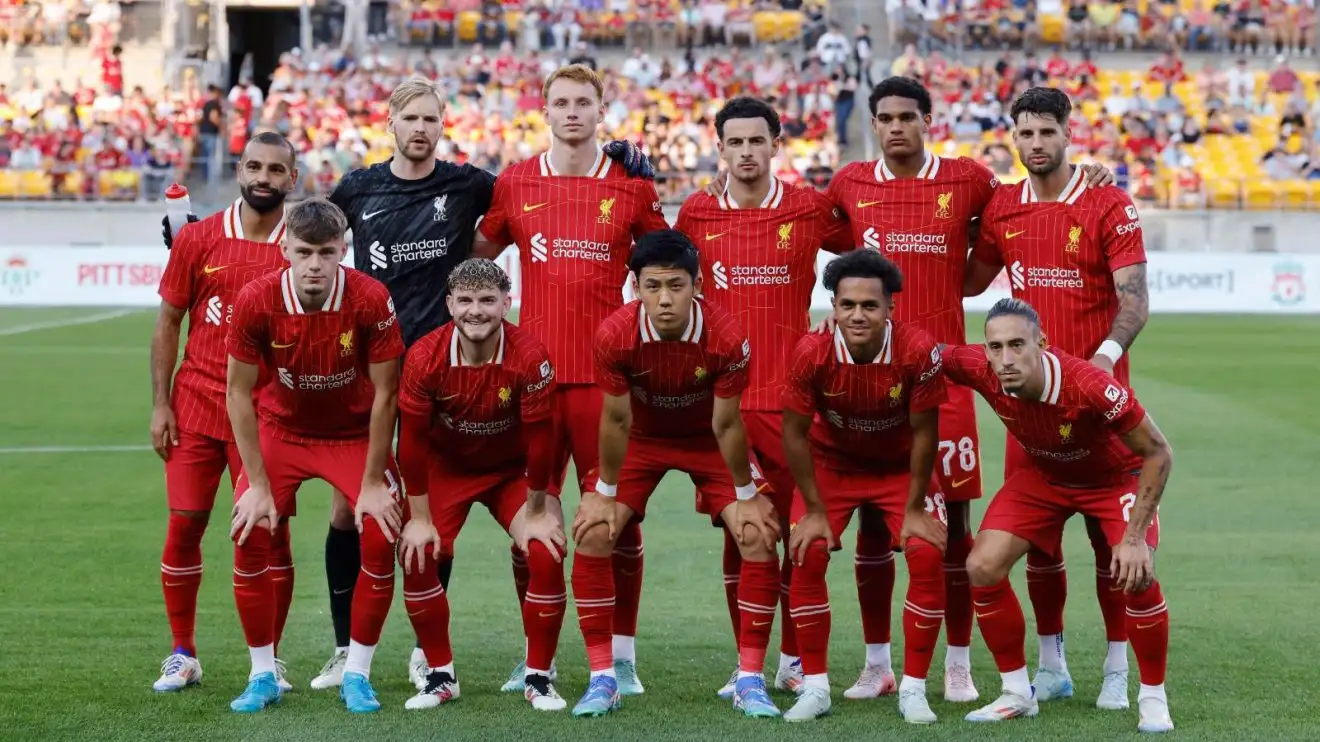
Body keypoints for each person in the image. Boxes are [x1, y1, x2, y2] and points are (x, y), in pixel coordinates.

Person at [319, 75, 655, 691]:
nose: (419, 128)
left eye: (429, 118)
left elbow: (663, 258)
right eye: (409, 118)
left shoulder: (501, 183)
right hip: (428, 372)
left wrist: (635, 165)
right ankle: (361, 650)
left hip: (570, 381)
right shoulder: (381, 186)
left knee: (604, 520)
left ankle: (607, 658)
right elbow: (307, 237)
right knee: (364, 509)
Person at [822, 75, 1114, 703]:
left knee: (953, 526)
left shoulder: (971, 180)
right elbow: (817, 238)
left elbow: (1020, 204)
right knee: (877, 527)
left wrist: (1093, 173)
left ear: (928, 119)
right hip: (871, 382)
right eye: (885, 118)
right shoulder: (848, 184)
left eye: (907, 116)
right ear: (873, 123)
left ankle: (957, 663)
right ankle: (878, 663)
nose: (896, 126)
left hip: (947, 380)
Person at [477, 63, 670, 695]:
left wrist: (657, 192)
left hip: (604, 381)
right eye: (560, 102)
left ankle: (624, 654)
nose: (571, 113)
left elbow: (668, 262)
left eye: (583, 102)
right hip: (531, 379)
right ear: (544, 109)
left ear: (601, 109)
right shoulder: (515, 181)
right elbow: (478, 256)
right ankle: (539, 657)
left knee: (617, 522)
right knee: (528, 517)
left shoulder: (631, 188)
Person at [965, 86, 1151, 709]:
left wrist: (1101, 361)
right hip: (1030, 417)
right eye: (1026, 133)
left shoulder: (1107, 201)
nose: (1037, 143)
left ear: (1069, 133)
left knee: (1112, 552)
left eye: (1048, 131)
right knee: (1036, 550)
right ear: (1012, 138)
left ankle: (1119, 667)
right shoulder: (1002, 207)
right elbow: (964, 276)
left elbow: (1134, 300)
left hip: (1099, 408)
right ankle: (1051, 665)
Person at [675, 95, 851, 699]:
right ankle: (747, 659)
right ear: (719, 147)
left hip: (794, 405)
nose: (746, 152)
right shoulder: (696, 214)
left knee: (800, 537)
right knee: (740, 536)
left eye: (758, 141)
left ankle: (796, 660)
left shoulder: (808, 209)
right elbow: (661, 279)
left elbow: (877, 251)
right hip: (723, 408)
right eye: (735, 142)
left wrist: (844, 319)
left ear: (777, 144)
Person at [568, 229, 782, 719]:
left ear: (698, 285)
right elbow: (617, 420)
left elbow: (726, 423)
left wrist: (747, 493)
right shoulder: (614, 335)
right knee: (595, 531)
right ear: (635, 287)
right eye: (652, 286)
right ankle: (604, 678)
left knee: (756, 532)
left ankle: (750, 677)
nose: (664, 300)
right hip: (641, 440)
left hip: (707, 439)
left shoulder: (726, 336)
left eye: (676, 286)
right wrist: (602, 492)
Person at [942, 298, 1173, 734]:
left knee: (1136, 574)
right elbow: (922, 354)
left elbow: (1158, 451)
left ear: (1042, 344)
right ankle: (1016, 693)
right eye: (995, 347)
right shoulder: (980, 365)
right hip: (1045, 476)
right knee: (982, 565)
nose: (1005, 359)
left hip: (1112, 479)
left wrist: (1136, 535)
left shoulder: (1088, 385)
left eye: (1016, 345)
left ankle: (1153, 697)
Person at [225, 198, 405, 714]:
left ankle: (358, 672)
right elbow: (238, 393)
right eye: (304, 252)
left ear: (343, 251)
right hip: (282, 432)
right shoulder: (257, 299)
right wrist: (257, 485)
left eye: (326, 253)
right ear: (284, 248)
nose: (314, 265)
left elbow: (387, 394)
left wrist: (373, 482)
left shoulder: (370, 298)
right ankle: (263, 674)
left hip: (352, 435)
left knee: (379, 530)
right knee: (249, 531)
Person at [150, 131, 297, 693]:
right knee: (184, 526)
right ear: (240, 170)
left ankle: (270, 661)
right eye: (255, 166)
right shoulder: (200, 237)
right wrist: (161, 403)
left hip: (267, 415)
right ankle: (182, 652)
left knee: (268, 535)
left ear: (293, 179)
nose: (264, 177)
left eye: (276, 170)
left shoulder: (300, 246)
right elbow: (167, 322)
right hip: (196, 403)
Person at [780, 250, 950, 724]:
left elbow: (924, 434)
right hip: (833, 465)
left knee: (927, 550)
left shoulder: (918, 349)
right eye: (847, 304)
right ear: (833, 307)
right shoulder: (810, 351)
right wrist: (814, 509)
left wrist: (915, 510)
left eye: (869, 306)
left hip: (899, 468)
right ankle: (815, 687)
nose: (858, 314)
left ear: (890, 308)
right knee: (807, 550)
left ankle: (913, 688)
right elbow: (793, 433)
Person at [394, 258, 569, 711]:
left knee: (546, 549)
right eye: (466, 300)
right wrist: (417, 518)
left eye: (488, 300)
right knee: (416, 551)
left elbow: (542, 440)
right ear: (449, 304)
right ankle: (440, 675)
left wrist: (535, 511)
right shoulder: (424, 357)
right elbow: (410, 442)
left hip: (511, 472)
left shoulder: (530, 356)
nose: (477, 311)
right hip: (446, 468)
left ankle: (539, 676)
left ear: (507, 303)